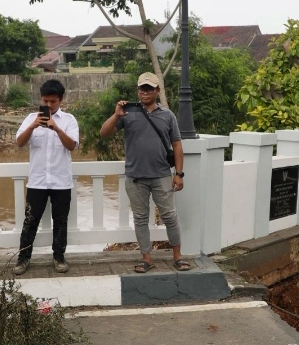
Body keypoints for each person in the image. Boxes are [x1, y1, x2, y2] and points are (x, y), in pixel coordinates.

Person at [99, 72, 191, 273]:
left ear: (157, 91)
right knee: (140, 219)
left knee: (169, 216)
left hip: (161, 175)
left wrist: (179, 174)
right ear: (137, 90)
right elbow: (104, 133)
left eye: (149, 88)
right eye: (142, 88)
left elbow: (177, 145)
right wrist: (116, 114)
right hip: (135, 177)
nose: (145, 92)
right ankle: (146, 259)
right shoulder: (127, 113)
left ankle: (178, 257)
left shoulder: (167, 115)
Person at [13, 79, 79, 275]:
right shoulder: (31, 118)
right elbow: (19, 143)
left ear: (60, 100)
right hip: (37, 181)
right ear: (40, 99)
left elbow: (72, 146)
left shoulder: (69, 120)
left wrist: (56, 129)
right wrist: (33, 126)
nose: (49, 105)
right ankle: (23, 259)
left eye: (53, 101)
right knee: (30, 221)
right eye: (45, 101)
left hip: (61, 181)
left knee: (61, 221)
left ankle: (59, 257)